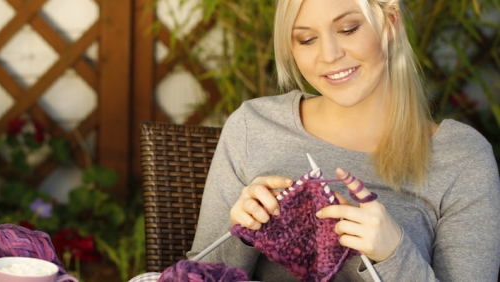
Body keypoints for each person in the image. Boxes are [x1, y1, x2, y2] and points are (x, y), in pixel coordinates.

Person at [186, 0, 500, 281]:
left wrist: (393, 252)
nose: (330, 55)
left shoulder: (462, 158)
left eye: (348, 29)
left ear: (390, 23)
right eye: (307, 39)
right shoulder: (252, 127)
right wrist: (242, 235)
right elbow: (196, 274)